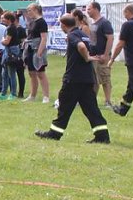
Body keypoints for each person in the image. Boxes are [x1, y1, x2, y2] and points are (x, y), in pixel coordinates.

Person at [35, 14, 110, 143]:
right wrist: (90, 57)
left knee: (64, 107)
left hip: (74, 79)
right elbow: (89, 48)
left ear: (64, 25)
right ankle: (102, 136)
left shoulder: (73, 35)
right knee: (92, 109)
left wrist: (86, 57)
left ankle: (54, 133)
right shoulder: (83, 35)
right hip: (87, 78)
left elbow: (81, 47)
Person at [87, 1, 115, 109]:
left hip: (102, 57)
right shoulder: (92, 23)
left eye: (89, 9)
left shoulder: (104, 23)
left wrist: (105, 54)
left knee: (105, 78)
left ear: (96, 9)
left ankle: (108, 101)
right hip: (93, 56)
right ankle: (92, 100)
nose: (87, 11)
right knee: (94, 80)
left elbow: (110, 38)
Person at [22, 3, 50, 104]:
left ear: (36, 10)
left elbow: (44, 38)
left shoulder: (41, 22)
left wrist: (39, 52)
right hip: (29, 48)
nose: (28, 12)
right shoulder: (32, 22)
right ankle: (32, 95)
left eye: (29, 10)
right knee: (31, 73)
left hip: (37, 49)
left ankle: (46, 96)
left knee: (40, 73)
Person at [0, 11, 23, 100]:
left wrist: (1, 40)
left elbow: (6, 41)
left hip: (11, 52)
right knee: (4, 74)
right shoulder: (9, 28)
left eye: (3, 18)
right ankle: (3, 93)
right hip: (7, 51)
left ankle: (13, 94)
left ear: (9, 19)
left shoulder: (11, 28)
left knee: (11, 73)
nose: (2, 19)